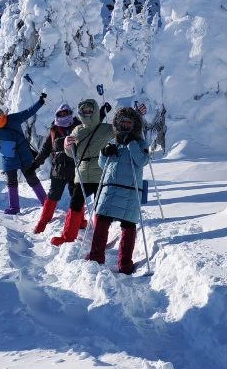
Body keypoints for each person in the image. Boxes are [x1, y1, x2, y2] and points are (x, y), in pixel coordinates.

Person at [85, 105, 148, 274]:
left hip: (130, 190)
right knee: (101, 220)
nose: (126, 126)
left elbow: (142, 161)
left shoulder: (141, 142)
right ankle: (96, 257)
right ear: (117, 124)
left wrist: (132, 144)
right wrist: (104, 153)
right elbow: (103, 165)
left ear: (135, 125)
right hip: (111, 188)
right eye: (123, 123)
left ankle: (125, 264)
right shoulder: (114, 142)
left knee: (128, 226)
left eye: (129, 123)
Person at [52, 97, 113, 246]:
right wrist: (67, 145)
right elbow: (71, 153)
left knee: (100, 208)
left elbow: (124, 133)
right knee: (75, 204)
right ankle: (67, 237)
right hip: (82, 174)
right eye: (84, 111)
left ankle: (100, 239)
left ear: (95, 111)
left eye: (89, 110)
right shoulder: (77, 130)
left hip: (101, 173)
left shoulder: (107, 128)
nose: (86, 113)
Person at [30, 103, 81, 235]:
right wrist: (35, 164)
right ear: (57, 115)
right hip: (58, 170)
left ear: (70, 113)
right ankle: (44, 220)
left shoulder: (79, 127)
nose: (64, 116)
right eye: (61, 114)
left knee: (76, 197)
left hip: (76, 169)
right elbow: (46, 149)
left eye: (66, 113)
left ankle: (80, 221)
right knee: (52, 196)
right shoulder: (54, 130)